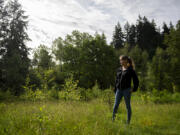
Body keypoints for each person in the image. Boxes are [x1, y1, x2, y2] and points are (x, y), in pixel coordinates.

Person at [112, 55, 139, 124]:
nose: (120, 61)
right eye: (120, 60)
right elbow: (116, 80)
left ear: (126, 60)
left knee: (128, 106)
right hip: (119, 90)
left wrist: (133, 89)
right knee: (115, 105)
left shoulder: (131, 70)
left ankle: (128, 122)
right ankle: (113, 120)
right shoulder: (119, 69)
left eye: (121, 60)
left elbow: (136, 80)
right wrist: (115, 89)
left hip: (127, 90)